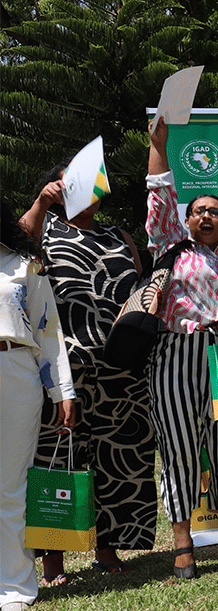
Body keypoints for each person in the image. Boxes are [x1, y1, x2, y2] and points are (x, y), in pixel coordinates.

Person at [14, 168, 154, 582]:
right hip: (64, 368)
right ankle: (53, 562)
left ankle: (108, 551)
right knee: (58, 461)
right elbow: (18, 245)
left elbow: (138, 284)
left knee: (118, 456)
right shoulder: (46, 231)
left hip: (120, 366)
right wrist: (42, 202)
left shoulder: (119, 236)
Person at [144, 115, 218, 578]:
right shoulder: (172, 249)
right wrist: (160, 146)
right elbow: (159, 196)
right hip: (177, 355)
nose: (207, 216)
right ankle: (183, 543)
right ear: (187, 220)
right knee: (179, 448)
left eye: (216, 211)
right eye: (199, 211)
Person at [0, 198, 76, 611]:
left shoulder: (24, 263)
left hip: (14, 370)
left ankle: (14, 584)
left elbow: (48, 328)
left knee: (10, 486)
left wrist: (63, 390)